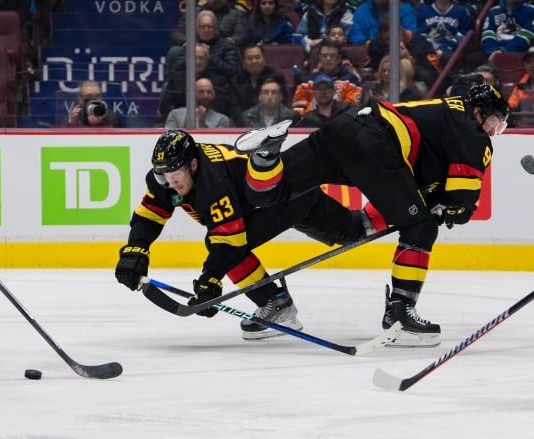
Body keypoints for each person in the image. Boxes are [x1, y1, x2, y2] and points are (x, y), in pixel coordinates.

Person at [237, 83, 511, 346]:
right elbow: (461, 202)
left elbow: (404, 191)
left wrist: (435, 205)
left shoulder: (443, 115)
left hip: (347, 126)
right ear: (479, 111)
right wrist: (450, 211)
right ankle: (400, 314)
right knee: (422, 227)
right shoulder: (471, 133)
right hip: (377, 144)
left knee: (274, 191)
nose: (493, 129)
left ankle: (265, 155)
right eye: (494, 121)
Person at [114, 127, 372, 339]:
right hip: (261, 206)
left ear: (192, 164)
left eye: (175, 174)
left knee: (353, 231)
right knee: (353, 230)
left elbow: (230, 241)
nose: (170, 184)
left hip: (291, 197)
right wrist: (135, 250)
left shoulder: (213, 182)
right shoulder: (166, 180)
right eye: (164, 176)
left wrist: (210, 279)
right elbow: (150, 215)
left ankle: (278, 305)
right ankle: (275, 301)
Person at [292, 41, 361, 115]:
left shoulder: (351, 80)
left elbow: (352, 110)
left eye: (332, 56)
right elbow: (298, 109)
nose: (328, 59)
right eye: (324, 56)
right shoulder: (308, 81)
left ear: (339, 58)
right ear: (320, 58)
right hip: (311, 123)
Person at [227, 44, 287, 125]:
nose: (254, 61)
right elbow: (233, 108)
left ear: (264, 59)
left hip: (273, 123)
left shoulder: (276, 78)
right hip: (242, 124)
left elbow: (283, 103)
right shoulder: (235, 80)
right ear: (243, 62)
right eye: (249, 58)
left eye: (258, 57)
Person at [164, 78, 232, 128]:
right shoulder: (175, 114)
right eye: (201, 92)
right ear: (193, 93)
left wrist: (202, 125)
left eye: (209, 92)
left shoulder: (222, 119)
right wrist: (185, 127)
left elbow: (218, 143)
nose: (205, 95)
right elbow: (169, 140)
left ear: (214, 95)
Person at [349, 0, 417, 45]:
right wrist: (366, 42)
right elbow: (355, 35)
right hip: (370, 51)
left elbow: (411, 34)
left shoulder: (405, 10)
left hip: (398, 49)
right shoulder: (361, 10)